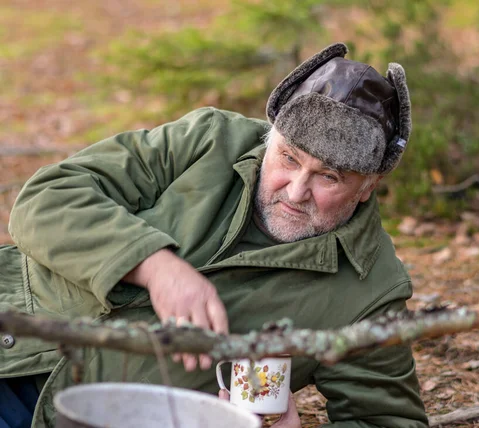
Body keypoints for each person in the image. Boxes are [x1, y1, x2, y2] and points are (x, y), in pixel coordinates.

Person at [0, 43, 428, 427]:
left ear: (369, 186)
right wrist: (153, 265)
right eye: (289, 159)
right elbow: (47, 196)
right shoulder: (210, 139)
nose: (296, 191)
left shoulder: (371, 292)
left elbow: (390, 421)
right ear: (270, 136)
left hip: (91, 415)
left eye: (329, 177)